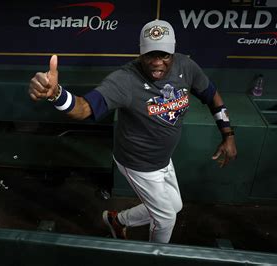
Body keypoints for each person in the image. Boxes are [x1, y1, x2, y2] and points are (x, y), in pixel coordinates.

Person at [29, 19, 237, 243]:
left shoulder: (186, 67)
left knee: (174, 206)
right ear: (140, 53)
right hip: (137, 161)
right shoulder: (125, 80)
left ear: (173, 53)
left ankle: (117, 220)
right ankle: (154, 259)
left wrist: (228, 134)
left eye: (164, 55)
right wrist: (57, 94)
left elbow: (211, 94)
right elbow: (84, 109)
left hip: (163, 159)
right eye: (150, 55)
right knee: (166, 218)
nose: (157, 63)